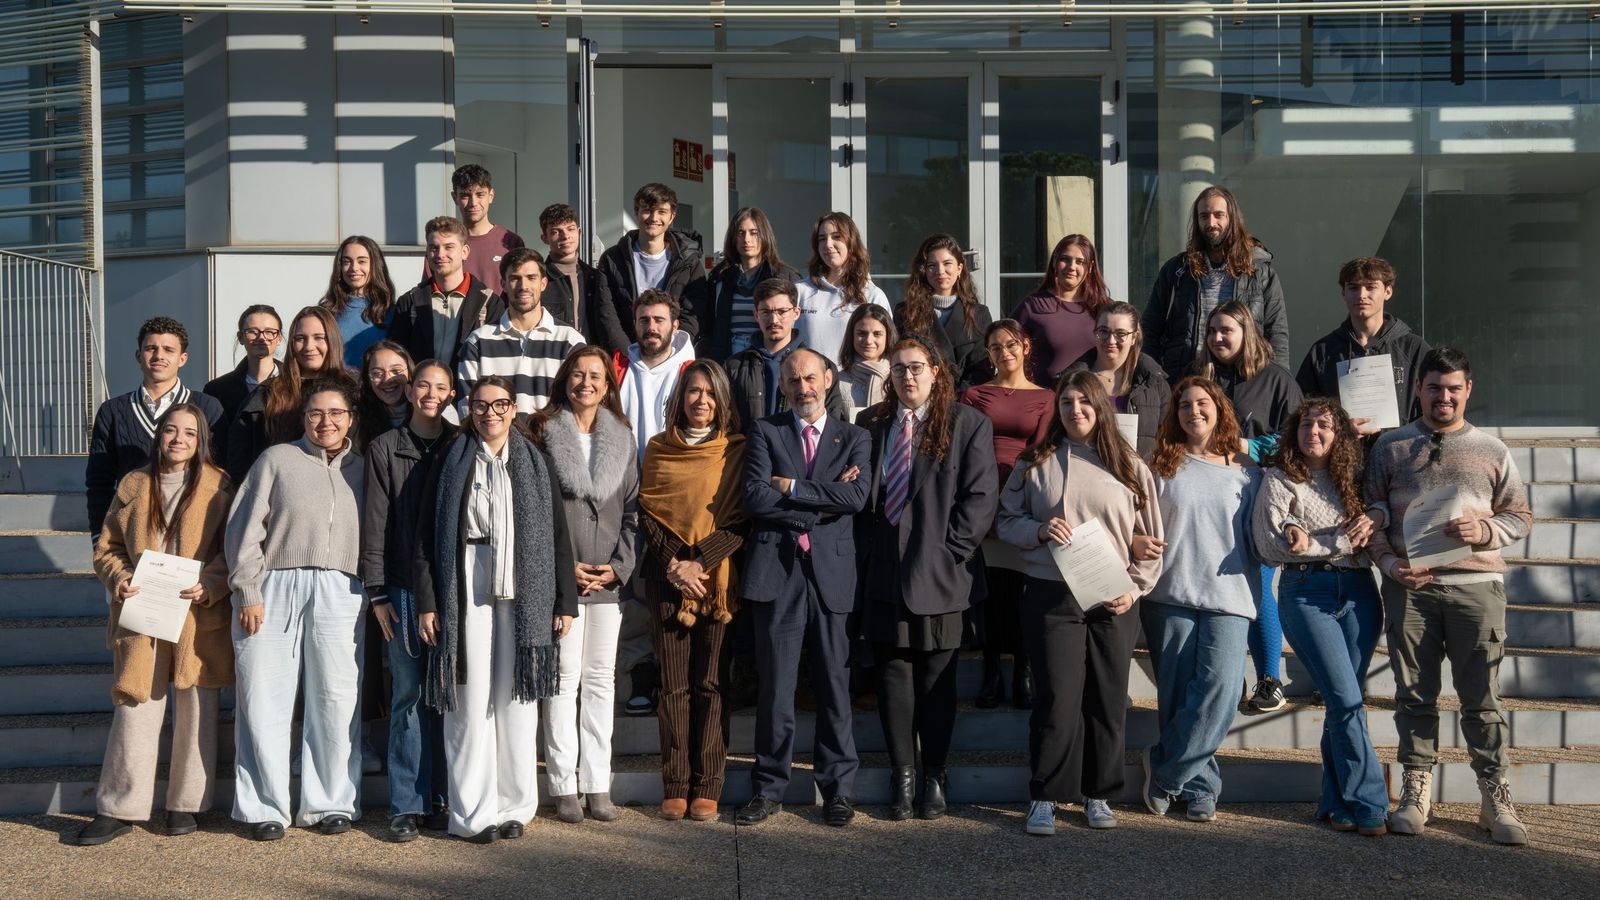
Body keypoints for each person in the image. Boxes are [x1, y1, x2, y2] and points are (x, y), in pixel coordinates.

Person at [1363, 347, 1533, 845]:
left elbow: (1520, 515)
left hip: (1476, 588)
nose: (1444, 396)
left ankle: (1494, 796)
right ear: (1418, 388)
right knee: (1414, 696)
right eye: (1435, 387)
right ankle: (1417, 790)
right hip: (1411, 589)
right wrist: (1389, 565)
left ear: (1468, 390)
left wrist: (1485, 530)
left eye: (1454, 388)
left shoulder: (1492, 449)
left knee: (1482, 699)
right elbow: (1373, 515)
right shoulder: (1391, 447)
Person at [998, 370, 1162, 836]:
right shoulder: (1035, 462)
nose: (1075, 410)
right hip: (1052, 592)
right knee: (1057, 699)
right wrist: (1038, 530)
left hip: (1113, 594)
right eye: (1067, 402)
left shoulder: (1129, 464)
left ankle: (1099, 793)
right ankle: (1045, 795)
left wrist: (1136, 587)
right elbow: (1006, 520)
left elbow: (1152, 538)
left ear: (1100, 407)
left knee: (1107, 699)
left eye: (1084, 401)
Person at [414, 375, 576, 843]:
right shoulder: (450, 459)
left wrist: (564, 601)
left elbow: (557, 535)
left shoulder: (535, 461)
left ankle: (514, 807)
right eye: (481, 405)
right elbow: (425, 536)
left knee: (514, 702)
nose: (490, 413)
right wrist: (428, 602)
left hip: (524, 584)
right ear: (469, 409)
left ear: (513, 408)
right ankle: (471, 814)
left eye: (499, 405)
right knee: (469, 699)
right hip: (465, 576)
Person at [74, 404, 234, 846]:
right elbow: (107, 548)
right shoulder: (134, 483)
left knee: (196, 709)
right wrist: (119, 579)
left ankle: (186, 804)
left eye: (190, 432)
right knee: (135, 706)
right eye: (171, 430)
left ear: (202, 440)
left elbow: (233, 550)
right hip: (142, 611)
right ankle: (118, 807)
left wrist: (211, 583)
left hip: (195, 613)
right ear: (158, 435)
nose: (179, 439)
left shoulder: (220, 485)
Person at [857, 335, 998, 821]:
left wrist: (950, 551)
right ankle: (903, 776)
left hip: (941, 572)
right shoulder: (871, 424)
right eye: (898, 369)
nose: (908, 376)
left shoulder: (967, 423)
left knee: (938, 682)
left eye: (917, 367)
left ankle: (934, 775)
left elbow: (981, 498)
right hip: (884, 573)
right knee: (893, 679)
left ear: (936, 372)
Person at [225, 378, 365, 841]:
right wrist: (248, 589)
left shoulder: (363, 468)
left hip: (341, 587)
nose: (326, 422)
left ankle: (331, 802)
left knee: (336, 698)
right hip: (275, 582)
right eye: (316, 413)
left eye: (336, 413)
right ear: (303, 418)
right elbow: (245, 528)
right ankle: (263, 806)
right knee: (263, 694)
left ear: (350, 418)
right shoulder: (277, 459)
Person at [736, 349, 872, 829]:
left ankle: (837, 790)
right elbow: (755, 496)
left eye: (810, 378)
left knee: (835, 685)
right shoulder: (766, 431)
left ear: (828, 379)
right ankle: (769, 788)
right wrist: (821, 505)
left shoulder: (855, 437)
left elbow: (857, 497)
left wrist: (790, 488)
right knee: (776, 687)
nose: (803, 388)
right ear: (783, 386)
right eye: (793, 380)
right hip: (779, 572)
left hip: (833, 574)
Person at [1252, 397, 1387, 836]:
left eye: (1325, 425)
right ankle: (1371, 801)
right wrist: (1337, 543)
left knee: (1342, 700)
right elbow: (1271, 545)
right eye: (1307, 424)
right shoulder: (1280, 479)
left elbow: (1381, 517)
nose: (1314, 431)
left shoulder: (1356, 480)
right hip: (1306, 593)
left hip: (1360, 592)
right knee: (1347, 699)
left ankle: (1336, 802)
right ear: (1294, 432)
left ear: (1340, 435)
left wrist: (1370, 519)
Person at [527, 346, 639, 826]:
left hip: (608, 581)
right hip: (564, 581)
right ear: (564, 380)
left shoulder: (623, 438)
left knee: (600, 680)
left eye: (595, 375)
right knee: (563, 678)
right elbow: (533, 508)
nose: (586, 383)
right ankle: (563, 784)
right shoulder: (542, 432)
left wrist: (619, 566)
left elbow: (633, 512)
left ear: (608, 385)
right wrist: (562, 567)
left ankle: (597, 782)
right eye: (577, 374)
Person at [1140, 376, 1260, 824]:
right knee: (1177, 697)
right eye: (1185, 405)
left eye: (1202, 402)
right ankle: (1200, 788)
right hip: (1169, 591)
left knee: (1222, 694)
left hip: (1230, 594)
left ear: (1219, 408)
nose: (1194, 411)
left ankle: (1164, 771)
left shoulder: (1247, 471)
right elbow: (1135, 519)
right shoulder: (1159, 465)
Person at [637, 360, 748, 821]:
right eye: (693, 391)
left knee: (711, 683)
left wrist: (699, 562)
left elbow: (740, 520)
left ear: (722, 399)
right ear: (680, 398)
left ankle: (708, 784)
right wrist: (675, 565)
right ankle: (676, 783)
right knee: (673, 685)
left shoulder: (735, 450)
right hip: (666, 580)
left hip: (717, 581)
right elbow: (647, 511)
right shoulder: (658, 448)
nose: (701, 400)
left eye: (709, 392)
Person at [360, 360, 457, 842]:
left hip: (454, 590)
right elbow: (375, 522)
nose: (431, 394)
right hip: (400, 588)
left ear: (452, 394)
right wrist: (377, 591)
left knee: (446, 694)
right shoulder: (385, 447)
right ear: (411, 390)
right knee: (409, 693)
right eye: (423, 385)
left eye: (440, 387)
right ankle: (407, 802)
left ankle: (442, 796)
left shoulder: (461, 443)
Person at [1193, 300, 1302, 713]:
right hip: (1205, 490)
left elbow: (1295, 439)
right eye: (1212, 331)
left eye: (1227, 330)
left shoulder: (1275, 379)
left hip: (1256, 492)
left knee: (1256, 584)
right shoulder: (1200, 377)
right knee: (1217, 584)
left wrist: (1249, 446)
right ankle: (1229, 674)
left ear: (1247, 332)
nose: (1217, 338)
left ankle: (1269, 679)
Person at [612, 289, 698, 716]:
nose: (651, 327)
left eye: (659, 320)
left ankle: (679, 680)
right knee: (633, 595)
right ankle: (642, 677)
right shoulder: (618, 367)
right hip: (626, 498)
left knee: (676, 587)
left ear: (674, 325)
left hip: (676, 498)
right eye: (644, 320)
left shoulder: (691, 370)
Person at [960, 320, 1052, 710]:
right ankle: (992, 670)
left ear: (1026, 347)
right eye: (996, 347)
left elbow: (1042, 451)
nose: (1004, 352)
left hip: (1023, 500)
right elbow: (964, 446)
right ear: (988, 354)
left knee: (1022, 591)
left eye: (1011, 344)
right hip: (981, 497)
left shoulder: (1046, 396)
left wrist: (1014, 498)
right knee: (992, 592)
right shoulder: (973, 394)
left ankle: (1023, 671)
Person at [87, 316, 226, 542]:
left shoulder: (207, 407)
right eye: (151, 348)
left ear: (182, 359)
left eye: (169, 350)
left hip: (195, 534)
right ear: (138, 355)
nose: (159, 356)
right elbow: (99, 483)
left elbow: (221, 475)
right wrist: (99, 538)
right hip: (133, 535)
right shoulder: (112, 411)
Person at [1143, 185, 1289, 379]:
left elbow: (1276, 333)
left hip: (1244, 380)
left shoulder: (1260, 272)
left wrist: (1278, 383)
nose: (1211, 223)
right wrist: (1155, 378)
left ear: (1232, 218)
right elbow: (1150, 329)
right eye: (1204, 216)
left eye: (1219, 215)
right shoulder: (1177, 270)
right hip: (1186, 381)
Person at [1297, 257, 1431, 432]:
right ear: (1343, 293)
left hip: (1401, 448)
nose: (1361, 295)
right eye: (1353, 287)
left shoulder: (1413, 348)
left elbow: (1433, 404)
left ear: (1388, 292)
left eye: (1370, 287)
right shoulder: (1323, 351)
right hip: (1342, 448)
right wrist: (1341, 429)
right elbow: (1304, 411)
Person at [225, 306, 351, 486]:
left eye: (319, 337)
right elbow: (240, 462)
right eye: (300, 338)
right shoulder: (268, 394)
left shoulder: (354, 391)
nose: (309, 347)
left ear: (333, 340)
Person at [456, 247, 585, 418]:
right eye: (515, 279)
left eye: (531, 278)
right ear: (503, 284)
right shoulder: (477, 342)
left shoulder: (570, 341)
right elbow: (467, 409)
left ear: (543, 283)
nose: (523, 286)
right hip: (496, 436)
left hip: (553, 436)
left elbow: (581, 405)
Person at [595, 182, 708, 353]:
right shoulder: (612, 259)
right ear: (636, 212)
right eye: (647, 210)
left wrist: (670, 352)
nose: (654, 218)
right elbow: (607, 314)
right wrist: (627, 355)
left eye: (662, 211)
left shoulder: (689, 263)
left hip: (671, 356)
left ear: (672, 217)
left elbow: (693, 315)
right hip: (625, 357)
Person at [725, 278, 846, 430]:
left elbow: (833, 425)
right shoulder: (734, 366)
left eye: (782, 312)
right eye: (766, 312)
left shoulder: (822, 367)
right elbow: (727, 422)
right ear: (756, 315)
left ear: (796, 313)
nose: (774, 320)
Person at [390, 216, 504, 372]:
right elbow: (396, 356)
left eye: (448, 247)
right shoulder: (409, 302)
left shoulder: (490, 303)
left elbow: (495, 360)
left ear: (465, 252)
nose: (440, 254)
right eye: (433, 248)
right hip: (422, 387)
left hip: (468, 387)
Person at [1062, 301, 1171, 455]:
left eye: (1120, 334)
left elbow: (1168, 435)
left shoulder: (1154, 381)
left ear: (1134, 337)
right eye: (1103, 331)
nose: (1110, 341)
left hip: (1138, 468)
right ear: (1094, 333)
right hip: (1083, 465)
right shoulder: (1072, 380)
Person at [894, 233, 993, 390]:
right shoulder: (905, 313)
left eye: (947, 263)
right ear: (924, 271)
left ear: (959, 268)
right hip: (919, 395)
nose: (940, 271)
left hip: (965, 398)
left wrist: (960, 398)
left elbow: (981, 369)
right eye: (932, 266)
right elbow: (899, 361)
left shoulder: (979, 314)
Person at [1011, 234, 1110, 384]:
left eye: (1080, 262)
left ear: (1090, 267)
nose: (1071, 267)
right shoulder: (1033, 305)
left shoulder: (1104, 308)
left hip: (1096, 395)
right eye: (1065, 259)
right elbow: (1004, 346)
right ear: (1054, 262)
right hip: (1045, 395)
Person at [795, 212, 889, 369]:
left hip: (856, 383)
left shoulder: (872, 295)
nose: (828, 244)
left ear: (851, 242)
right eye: (822, 239)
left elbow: (886, 350)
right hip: (809, 382)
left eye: (836, 237)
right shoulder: (800, 291)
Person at [707, 207, 803, 361]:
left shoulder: (785, 277)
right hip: (730, 360)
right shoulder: (720, 278)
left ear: (764, 235)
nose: (747, 239)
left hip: (771, 359)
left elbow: (797, 326)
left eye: (754, 233)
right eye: (740, 233)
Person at [204, 304, 282, 463]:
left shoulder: (297, 383)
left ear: (279, 338)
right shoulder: (217, 390)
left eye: (269, 332)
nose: (262, 338)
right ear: (240, 337)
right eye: (253, 331)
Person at [446, 164, 525, 296]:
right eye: (465, 195)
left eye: (480, 194)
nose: (473, 203)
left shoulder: (511, 242)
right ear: (455, 198)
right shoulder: (444, 244)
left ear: (491, 195)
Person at [321, 235, 398, 368]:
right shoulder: (327, 312)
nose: (354, 268)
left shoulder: (392, 313)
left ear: (375, 265)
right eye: (347, 262)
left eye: (362, 261)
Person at [538, 203, 600, 338]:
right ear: (544, 238)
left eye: (570, 229)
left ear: (579, 232)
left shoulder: (595, 277)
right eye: (556, 232)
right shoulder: (538, 279)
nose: (565, 236)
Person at [834, 304, 897, 422]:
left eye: (877, 334)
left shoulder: (899, 378)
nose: (868, 341)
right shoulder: (837, 381)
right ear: (852, 335)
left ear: (888, 336)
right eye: (862, 333)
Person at [356, 341, 413, 452]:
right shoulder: (357, 420)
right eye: (377, 373)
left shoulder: (433, 411)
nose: (387, 379)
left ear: (410, 373)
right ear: (368, 380)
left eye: (396, 371)